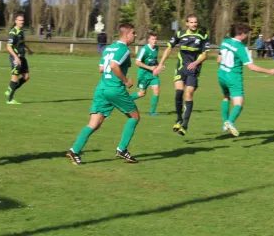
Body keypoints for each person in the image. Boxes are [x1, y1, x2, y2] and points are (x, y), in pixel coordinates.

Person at [66, 23, 140, 165]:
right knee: (134, 117)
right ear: (126, 34)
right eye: (134, 33)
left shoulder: (109, 48)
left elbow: (101, 68)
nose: (135, 35)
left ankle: (74, 150)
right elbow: (113, 66)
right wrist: (126, 80)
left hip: (102, 89)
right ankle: (122, 149)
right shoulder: (123, 49)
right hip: (115, 89)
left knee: (94, 123)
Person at [154, 14, 210, 136]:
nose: (194, 24)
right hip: (181, 68)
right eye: (191, 22)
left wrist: (196, 62)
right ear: (187, 23)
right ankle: (179, 118)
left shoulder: (203, 36)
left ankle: (184, 125)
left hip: (193, 70)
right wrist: (160, 64)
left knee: (188, 93)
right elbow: (169, 48)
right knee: (179, 92)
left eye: (195, 22)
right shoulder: (180, 34)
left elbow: (205, 54)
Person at [217, 24, 274, 137]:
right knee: (239, 104)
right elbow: (251, 67)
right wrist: (269, 71)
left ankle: (225, 121)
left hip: (221, 75)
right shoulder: (241, 47)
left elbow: (218, 60)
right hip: (233, 78)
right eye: (246, 33)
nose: (247, 35)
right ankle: (230, 122)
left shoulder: (224, 41)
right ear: (242, 34)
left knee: (226, 97)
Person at [132, 31, 164, 116]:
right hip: (143, 75)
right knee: (142, 93)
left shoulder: (156, 48)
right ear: (148, 40)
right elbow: (137, 62)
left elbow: (154, 61)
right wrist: (150, 68)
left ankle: (152, 112)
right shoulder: (144, 49)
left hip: (153, 74)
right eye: (153, 39)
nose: (155, 41)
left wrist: (159, 66)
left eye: (156, 39)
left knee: (156, 90)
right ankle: (127, 100)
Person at [5, 14, 33, 105]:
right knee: (15, 77)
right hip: (15, 57)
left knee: (26, 77)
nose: (22, 22)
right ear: (15, 21)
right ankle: (10, 99)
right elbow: (8, 47)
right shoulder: (13, 32)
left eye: (23, 20)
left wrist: (28, 49)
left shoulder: (21, 31)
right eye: (20, 20)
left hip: (22, 57)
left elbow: (22, 43)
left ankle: (11, 88)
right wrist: (16, 57)